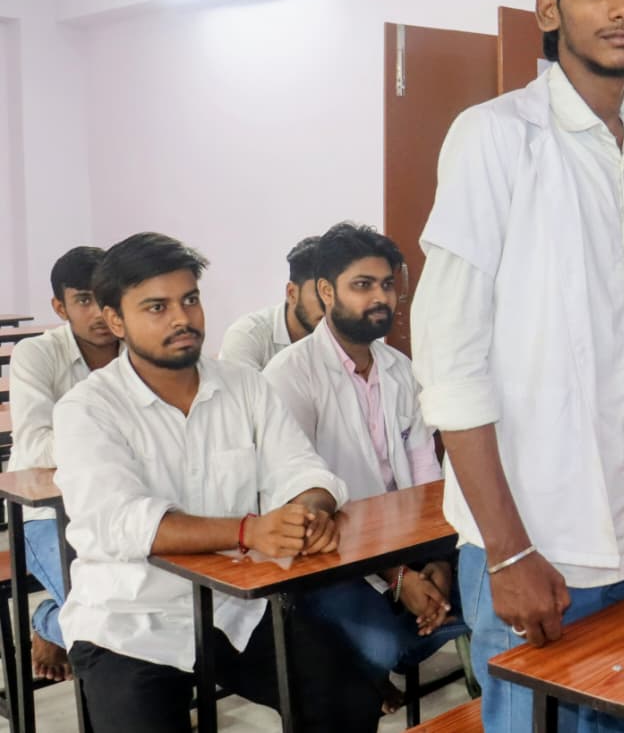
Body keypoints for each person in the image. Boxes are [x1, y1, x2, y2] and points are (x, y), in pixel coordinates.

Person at [412, 0, 624, 732]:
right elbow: (450, 362)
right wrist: (509, 552)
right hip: (542, 548)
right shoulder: (497, 137)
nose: (621, 7)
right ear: (548, 8)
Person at [54, 232, 381, 733]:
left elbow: (303, 470)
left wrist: (311, 513)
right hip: (129, 619)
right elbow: (124, 522)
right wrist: (250, 531)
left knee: (349, 692)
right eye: (157, 307)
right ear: (116, 321)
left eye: (190, 300)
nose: (182, 319)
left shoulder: (244, 385)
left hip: (235, 608)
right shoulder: (86, 409)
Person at [264, 222, 453, 707]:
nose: (380, 298)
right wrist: (398, 577)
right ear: (326, 292)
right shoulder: (290, 375)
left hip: (405, 541)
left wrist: (436, 560)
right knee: (389, 647)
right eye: (363, 285)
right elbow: (300, 507)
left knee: (479, 597)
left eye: (387, 285)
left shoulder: (398, 369)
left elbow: (426, 477)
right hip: (329, 557)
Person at [7, 246, 122, 681]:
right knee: (107, 617)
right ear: (60, 307)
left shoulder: (139, 350)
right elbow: (36, 446)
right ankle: (50, 623)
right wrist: (117, 447)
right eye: (83, 300)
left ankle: (53, 620)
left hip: (124, 507)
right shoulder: (37, 355)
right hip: (48, 514)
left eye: (105, 297)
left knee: (158, 605)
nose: (99, 311)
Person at [220, 235, 324, 369]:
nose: (330, 304)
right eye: (320, 293)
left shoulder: (339, 335)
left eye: (334, 293)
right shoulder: (247, 336)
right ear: (292, 293)